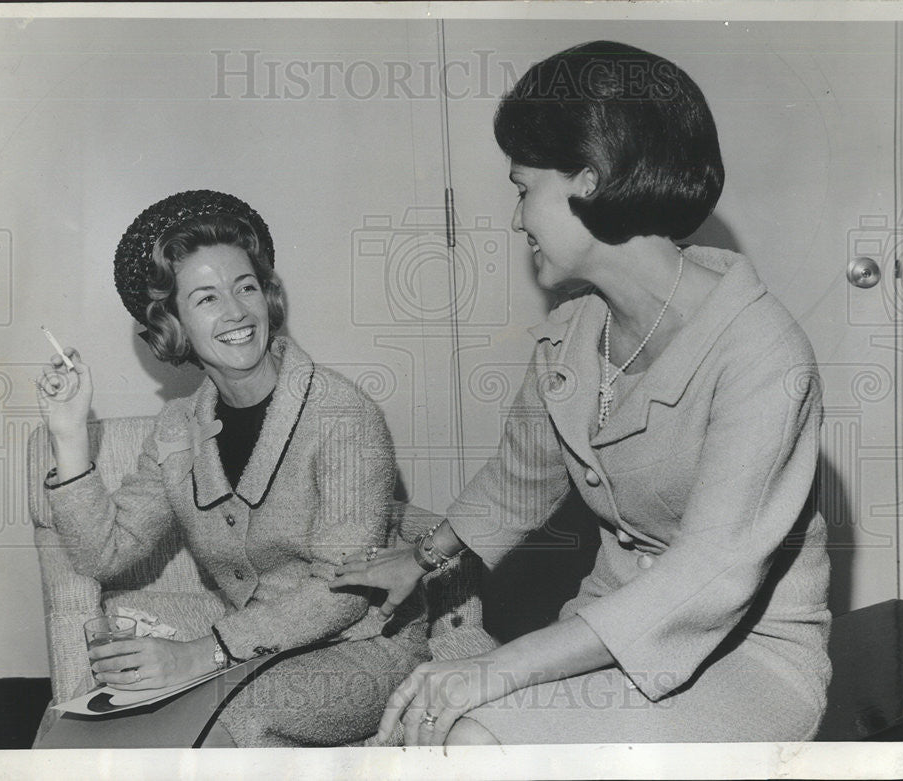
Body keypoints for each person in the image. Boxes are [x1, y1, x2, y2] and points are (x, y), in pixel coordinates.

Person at [330, 41, 832, 745]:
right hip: (606, 627)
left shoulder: (762, 352)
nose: (516, 219)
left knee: (476, 731)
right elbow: (517, 481)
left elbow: (712, 570)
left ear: (589, 180)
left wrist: (502, 666)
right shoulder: (575, 335)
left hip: (746, 656)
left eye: (522, 188)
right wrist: (420, 559)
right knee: (438, 724)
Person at [36, 190, 428, 747]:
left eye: (246, 287)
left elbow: (344, 593)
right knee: (85, 733)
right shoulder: (176, 428)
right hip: (253, 652)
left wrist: (202, 654)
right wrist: (69, 434)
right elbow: (105, 552)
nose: (237, 311)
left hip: (365, 648)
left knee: (229, 724)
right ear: (172, 324)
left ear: (267, 296)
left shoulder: (343, 415)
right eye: (207, 298)